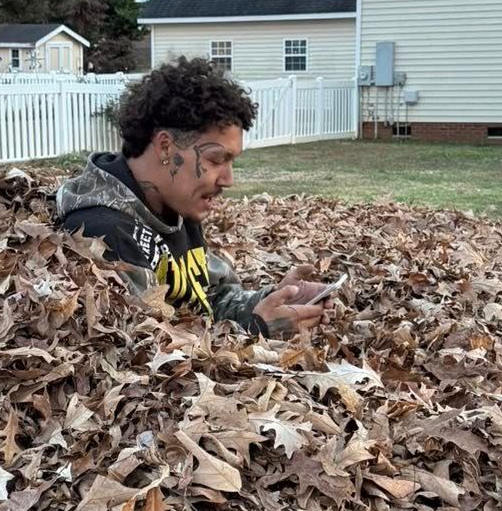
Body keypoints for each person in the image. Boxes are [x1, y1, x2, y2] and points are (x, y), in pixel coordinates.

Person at [55, 56, 334, 337]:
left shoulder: (176, 206)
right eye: (216, 159)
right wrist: (256, 329)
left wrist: (276, 298)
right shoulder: (101, 231)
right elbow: (142, 350)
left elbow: (209, 302)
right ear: (165, 147)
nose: (228, 180)